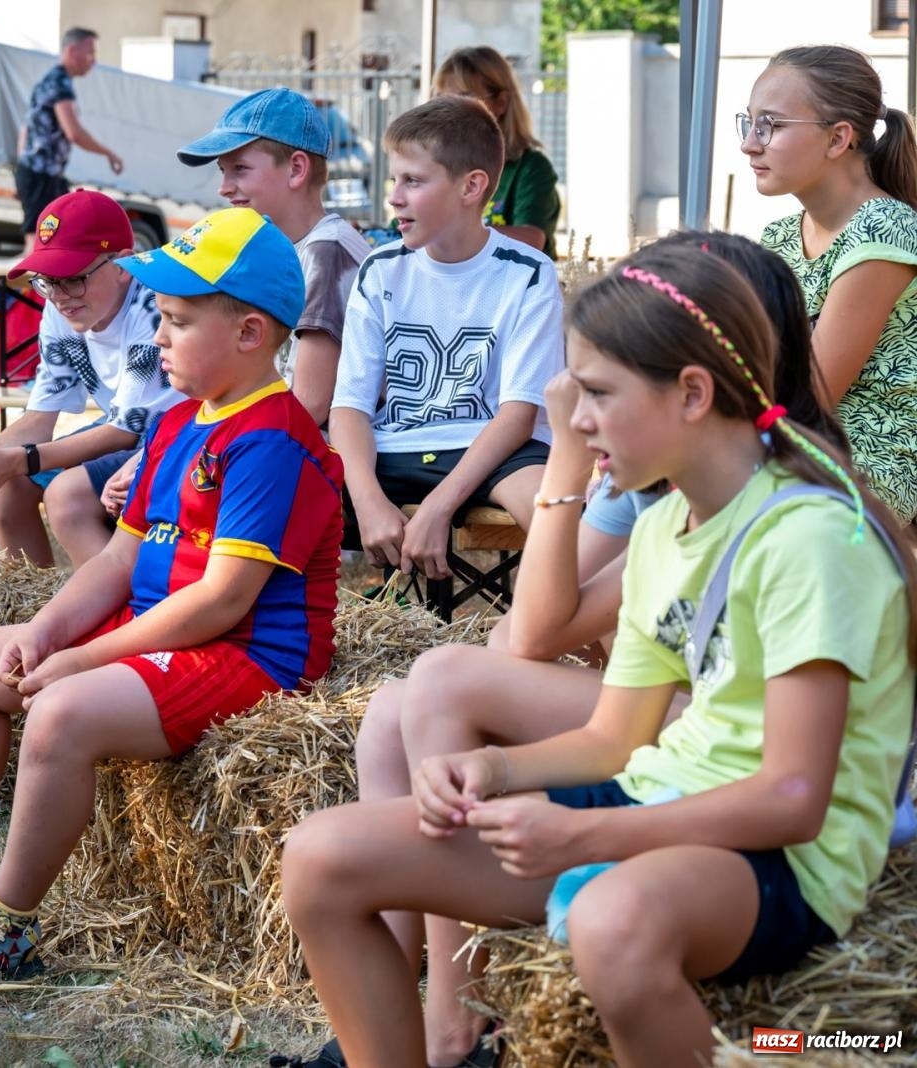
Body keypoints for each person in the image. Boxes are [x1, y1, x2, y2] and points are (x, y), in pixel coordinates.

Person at [282, 242, 917, 1068]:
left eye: (597, 395)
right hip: (658, 801)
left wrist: (580, 837)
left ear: (691, 394)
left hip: (784, 859)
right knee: (321, 858)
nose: (572, 423)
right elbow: (617, 739)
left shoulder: (810, 536)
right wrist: (496, 773)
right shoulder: (665, 526)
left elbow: (792, 800)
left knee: (611, 922)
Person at [0, 207, 343, 986]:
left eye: (176, 320)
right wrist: (43, 634)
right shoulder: (177, 420)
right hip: (166, 625)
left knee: (63, 712)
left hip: (252, 655)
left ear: (248, 334)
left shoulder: (271, 439)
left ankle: (8, 924)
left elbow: (221, 605)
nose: (159, 337)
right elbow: (115, 563)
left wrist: (80, 660)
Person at [332, 96, 564, 583]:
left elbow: (518, 415)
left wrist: (439, 507)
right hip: (394, 446)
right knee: (276, 487)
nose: (394, 196)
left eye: (413, 181)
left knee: (555, 513)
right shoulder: (380, 269)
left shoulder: (527, 273)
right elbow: (349, 406)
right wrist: (368, 500)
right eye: (395, 179)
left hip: (494, 447)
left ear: (471, 186)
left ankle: (588, 653)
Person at [0, 190, 183, 567]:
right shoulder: (62, 308)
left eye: (74, 278)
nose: (60, 296)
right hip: (133, 428)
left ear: (123, 265)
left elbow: (124, 432)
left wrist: (18, 460)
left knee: (67, 496)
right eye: (45, 281)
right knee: (7, 488)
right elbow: (40, 416)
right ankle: (31, 602)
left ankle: (118, 612)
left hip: (177, 432)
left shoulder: (150, 306)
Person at [745, 44, 917, 525]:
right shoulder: (779, 237)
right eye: (750, 122)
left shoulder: (885, 232)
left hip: (862, 465)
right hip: (788, 449)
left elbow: (809, 397)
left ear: (838, 138)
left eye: (771, 125)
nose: (749, 143)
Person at [177, 86, 373, 429]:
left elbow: (308, 405)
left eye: (239, 168)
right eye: (223, 171)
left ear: (297, 169)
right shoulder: (287, 249)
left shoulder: (326, 253)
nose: (223, 187)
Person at [435, 46, 562, 258]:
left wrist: (451, 232)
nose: (448, 111)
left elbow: (532, 239)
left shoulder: (530, 167)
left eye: (464, 98)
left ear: (501, 102)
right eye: (441, 99)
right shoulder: (439, 165)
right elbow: (406, 227)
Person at [15, 26, 124, 235]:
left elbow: (25, 129)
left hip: (41, 174)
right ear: (73, 51)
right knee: (40, 242)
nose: (94, 60)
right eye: (91, 52)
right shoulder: (59, 83)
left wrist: (21, 170)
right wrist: (108, 153)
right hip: (40, 175)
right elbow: (73, 132)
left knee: (64, 233)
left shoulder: (52, 81)